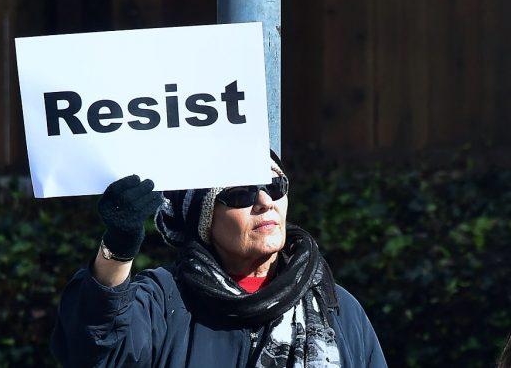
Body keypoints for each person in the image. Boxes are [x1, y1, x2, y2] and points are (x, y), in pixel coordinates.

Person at [51, 151, 387, 367]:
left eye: (274, 185)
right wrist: (119, 247)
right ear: (205, 219)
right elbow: (94, 350)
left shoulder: (337, 307)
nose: (265, 201)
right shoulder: (166, 301)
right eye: (240, 193)